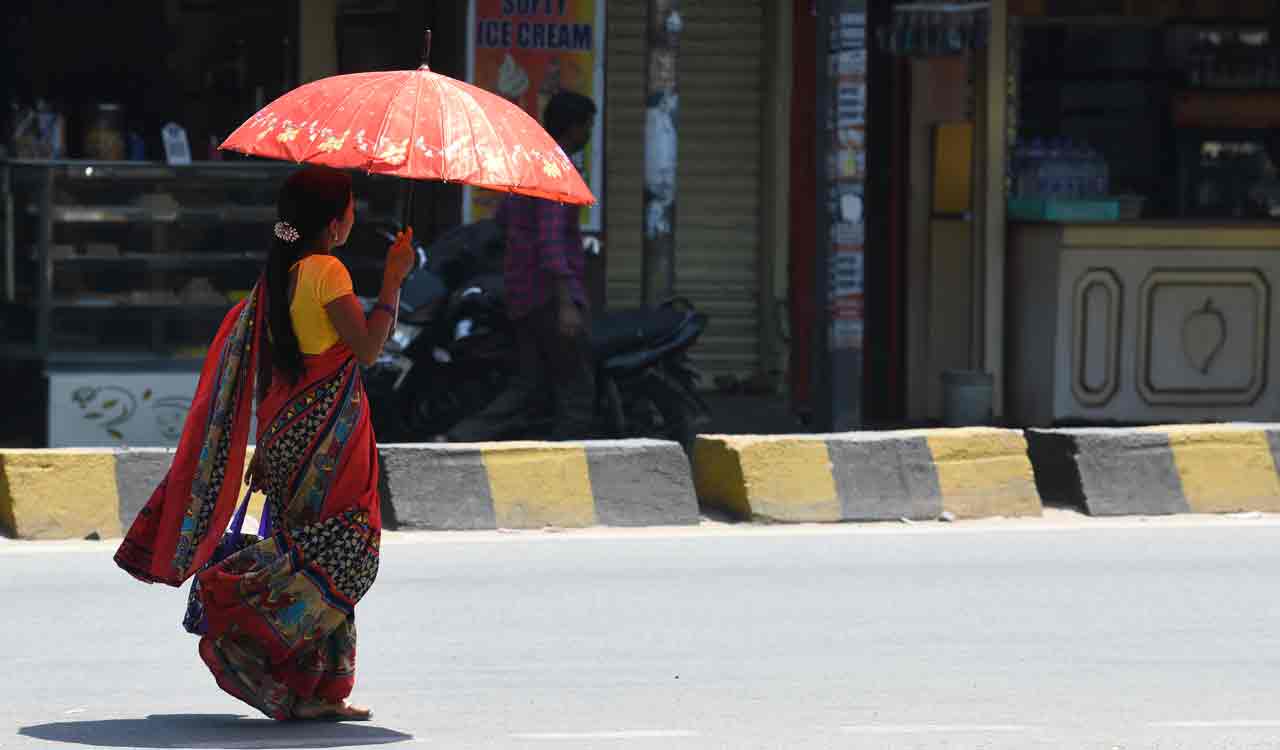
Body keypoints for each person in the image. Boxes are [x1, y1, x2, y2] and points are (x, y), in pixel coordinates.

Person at [114, 166, 415, 722]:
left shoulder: (280, 274)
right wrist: (394, 279)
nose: (355, 216)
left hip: (285, 434)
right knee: (344, 550)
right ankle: (233, 606)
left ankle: (317, 691)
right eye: (350, 207)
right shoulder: (326, 269)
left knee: (308, 548)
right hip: (328, 441)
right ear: (333, 220)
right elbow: (370, 347)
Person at [447, 91, 598, 442]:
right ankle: (568, 463)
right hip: (548, 296)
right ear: (574, 128)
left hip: (522, 293)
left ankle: (464, 436)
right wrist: (566, 302)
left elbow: (504, 220)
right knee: (576, 391)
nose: (589, 133)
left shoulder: (530, 164)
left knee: (529, 383)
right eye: (588, 125)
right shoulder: (555, 168)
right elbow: (550, 239)